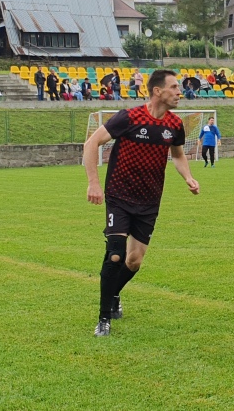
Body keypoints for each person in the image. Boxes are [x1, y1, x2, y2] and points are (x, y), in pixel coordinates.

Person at [84, 69, 200, 337]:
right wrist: (93, 183)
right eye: (174, 87)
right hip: (119, 196)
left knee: (134, 260)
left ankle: (113, 294)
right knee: (115, 254)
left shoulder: (174, 125)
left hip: (149, 201)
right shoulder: (129, 117)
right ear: (157, 91)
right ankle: (104, 318)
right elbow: (92, 143)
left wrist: (188, 177)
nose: (179, 92)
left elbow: (178, 155)